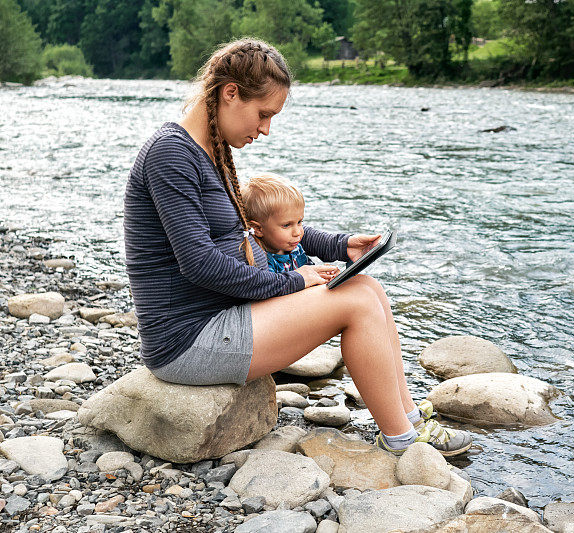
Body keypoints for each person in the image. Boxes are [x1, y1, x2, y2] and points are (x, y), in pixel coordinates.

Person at [123, 38, 472, 456]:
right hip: (187, 340)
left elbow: (264, 229)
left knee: (369, 289)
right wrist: (294, 281)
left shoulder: (210, 152)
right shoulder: (171, 154)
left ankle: (411, 419)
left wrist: (341, 246)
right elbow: (199, 265)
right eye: (263, 114)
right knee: (357, 303)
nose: (266, 129)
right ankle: (402, 442)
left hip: (221, 316)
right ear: (230, 93)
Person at [240, 174, 333, 276]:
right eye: (286, 225)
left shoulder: (295, 248)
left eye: (299, 222)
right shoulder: (260, 262)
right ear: (257, 228)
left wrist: (323, 273)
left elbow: (309, 270)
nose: (298, 232)